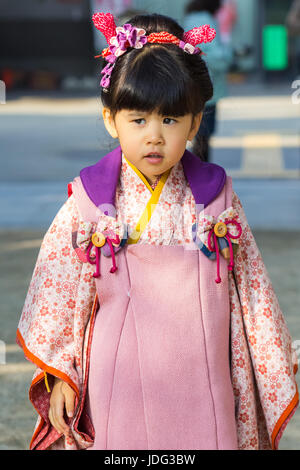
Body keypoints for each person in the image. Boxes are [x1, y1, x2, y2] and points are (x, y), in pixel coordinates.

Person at [16, 12, 298, 451]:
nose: (154, 136)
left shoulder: (217, 199)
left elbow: (253, 295)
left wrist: (268, 364)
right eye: (138, 119)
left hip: (203, 368)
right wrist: (61, 373)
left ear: (195, 122)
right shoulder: (88, 202)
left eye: (170, 120)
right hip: (119, 370)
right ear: (111, 119)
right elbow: (57, 295)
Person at [184, 0, 235, 162]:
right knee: (203, 136)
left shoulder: (191, 18)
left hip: (194, 84)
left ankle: (198, 173)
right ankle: (201, 175)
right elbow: (214, 55)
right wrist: (229, 55)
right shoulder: (204, 20)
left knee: (198, 135)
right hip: (207, 87)